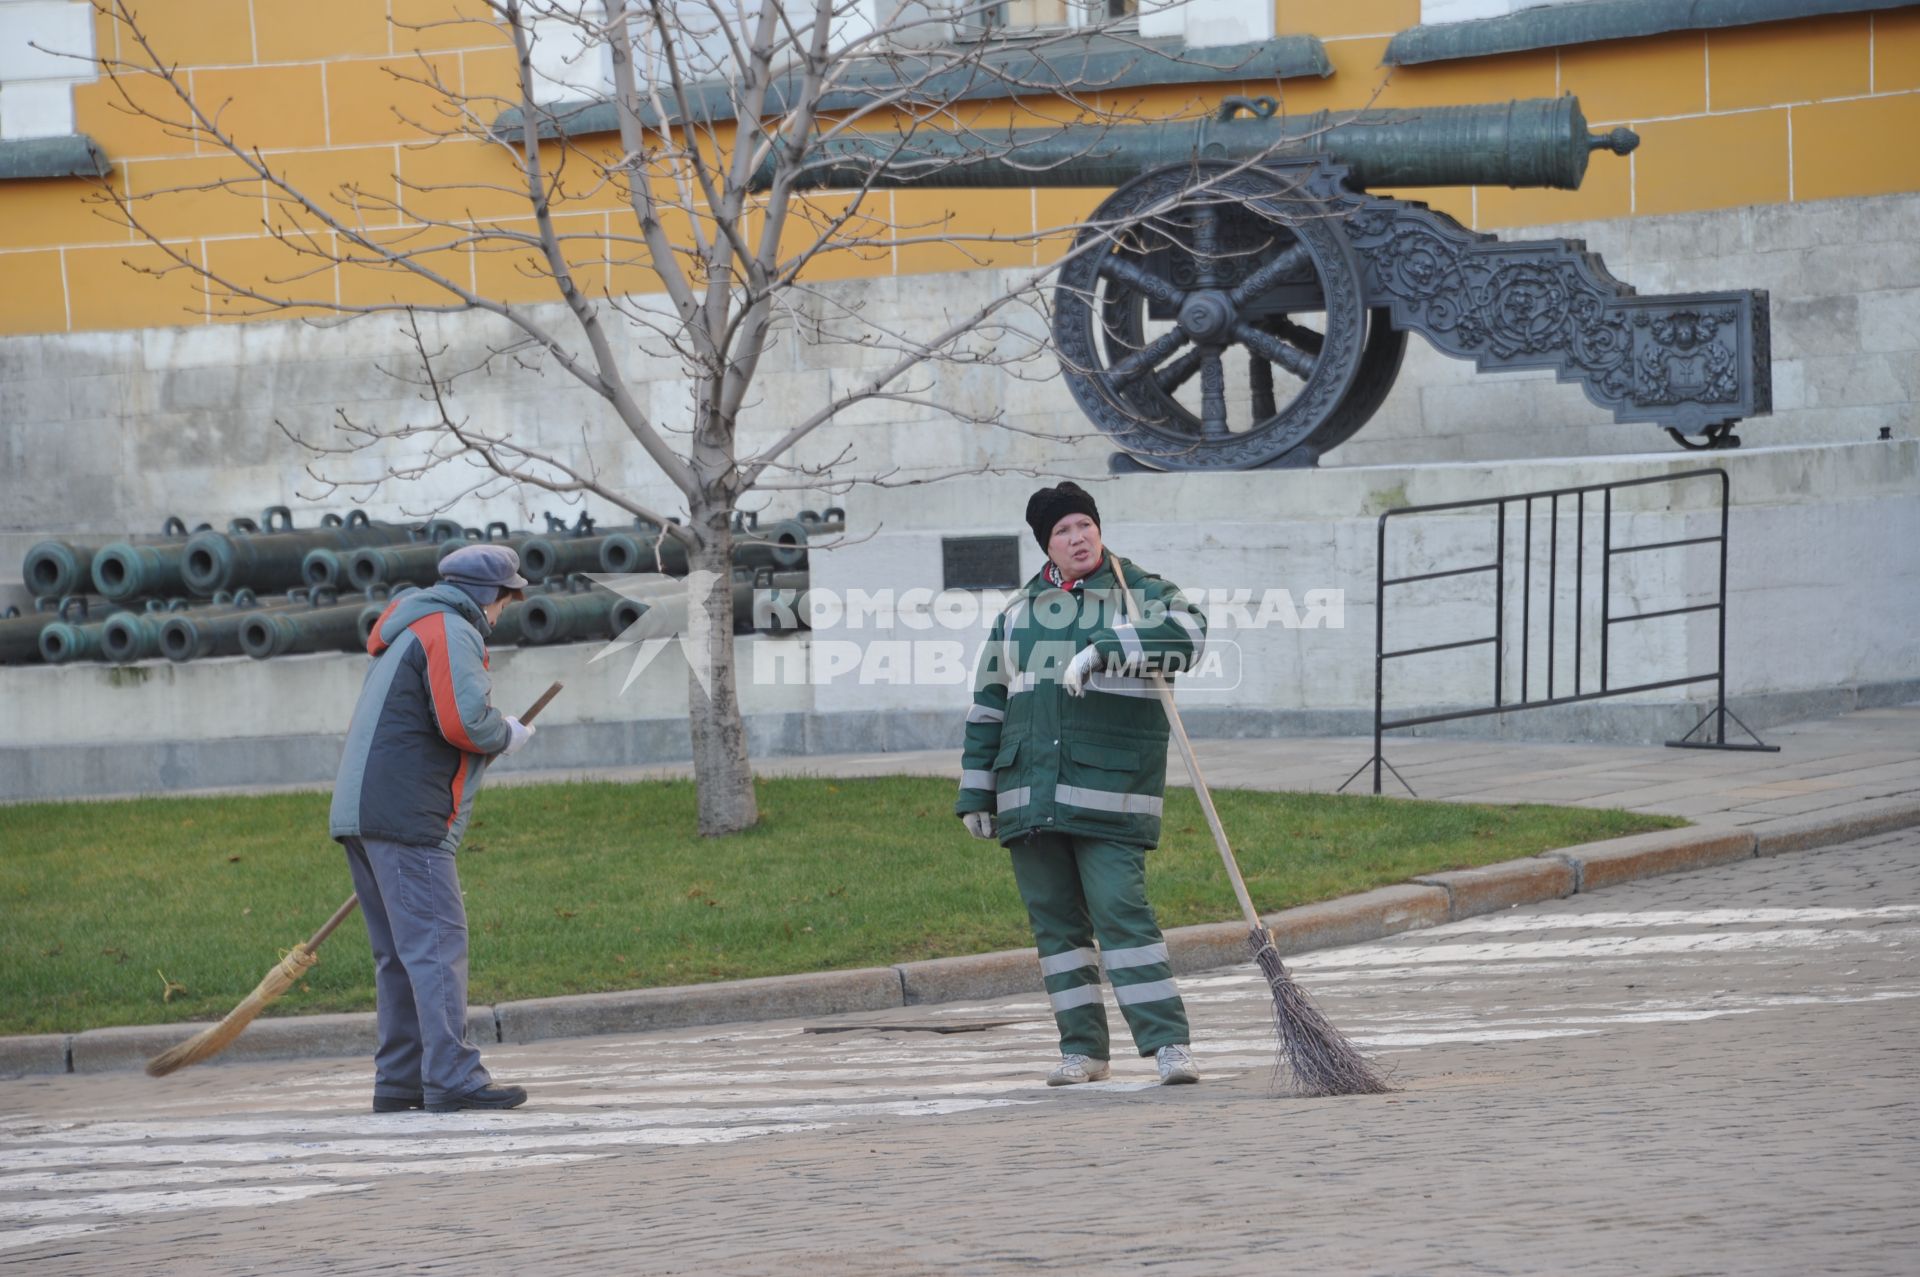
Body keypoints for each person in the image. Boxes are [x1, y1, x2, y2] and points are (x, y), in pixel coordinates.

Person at [956, 482, 1209, 1086]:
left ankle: (1168, 1043)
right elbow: (989, 706)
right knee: (1057, 927)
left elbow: (1192, 636)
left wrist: (1108, 648)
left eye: (1084, 525)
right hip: (1027, 793)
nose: (1078, 537)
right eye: (1064, 530)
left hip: (1110, 790)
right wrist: (975, 792)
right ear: (1047, 543)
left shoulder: (1136, 591)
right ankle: (1083, 1050)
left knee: (1122, 911)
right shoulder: (1017, 613)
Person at [329, 543, 539, 1114]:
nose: (503, 613)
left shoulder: (410, 627)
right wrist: (506, 733)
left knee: (400, 954)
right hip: (407, 814)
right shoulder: (449, 629)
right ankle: (451, 1076)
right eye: (505, 599)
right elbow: (461, 719)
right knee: (437, 945)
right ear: (487, 596)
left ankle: (400, 1080)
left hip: (364, 811)